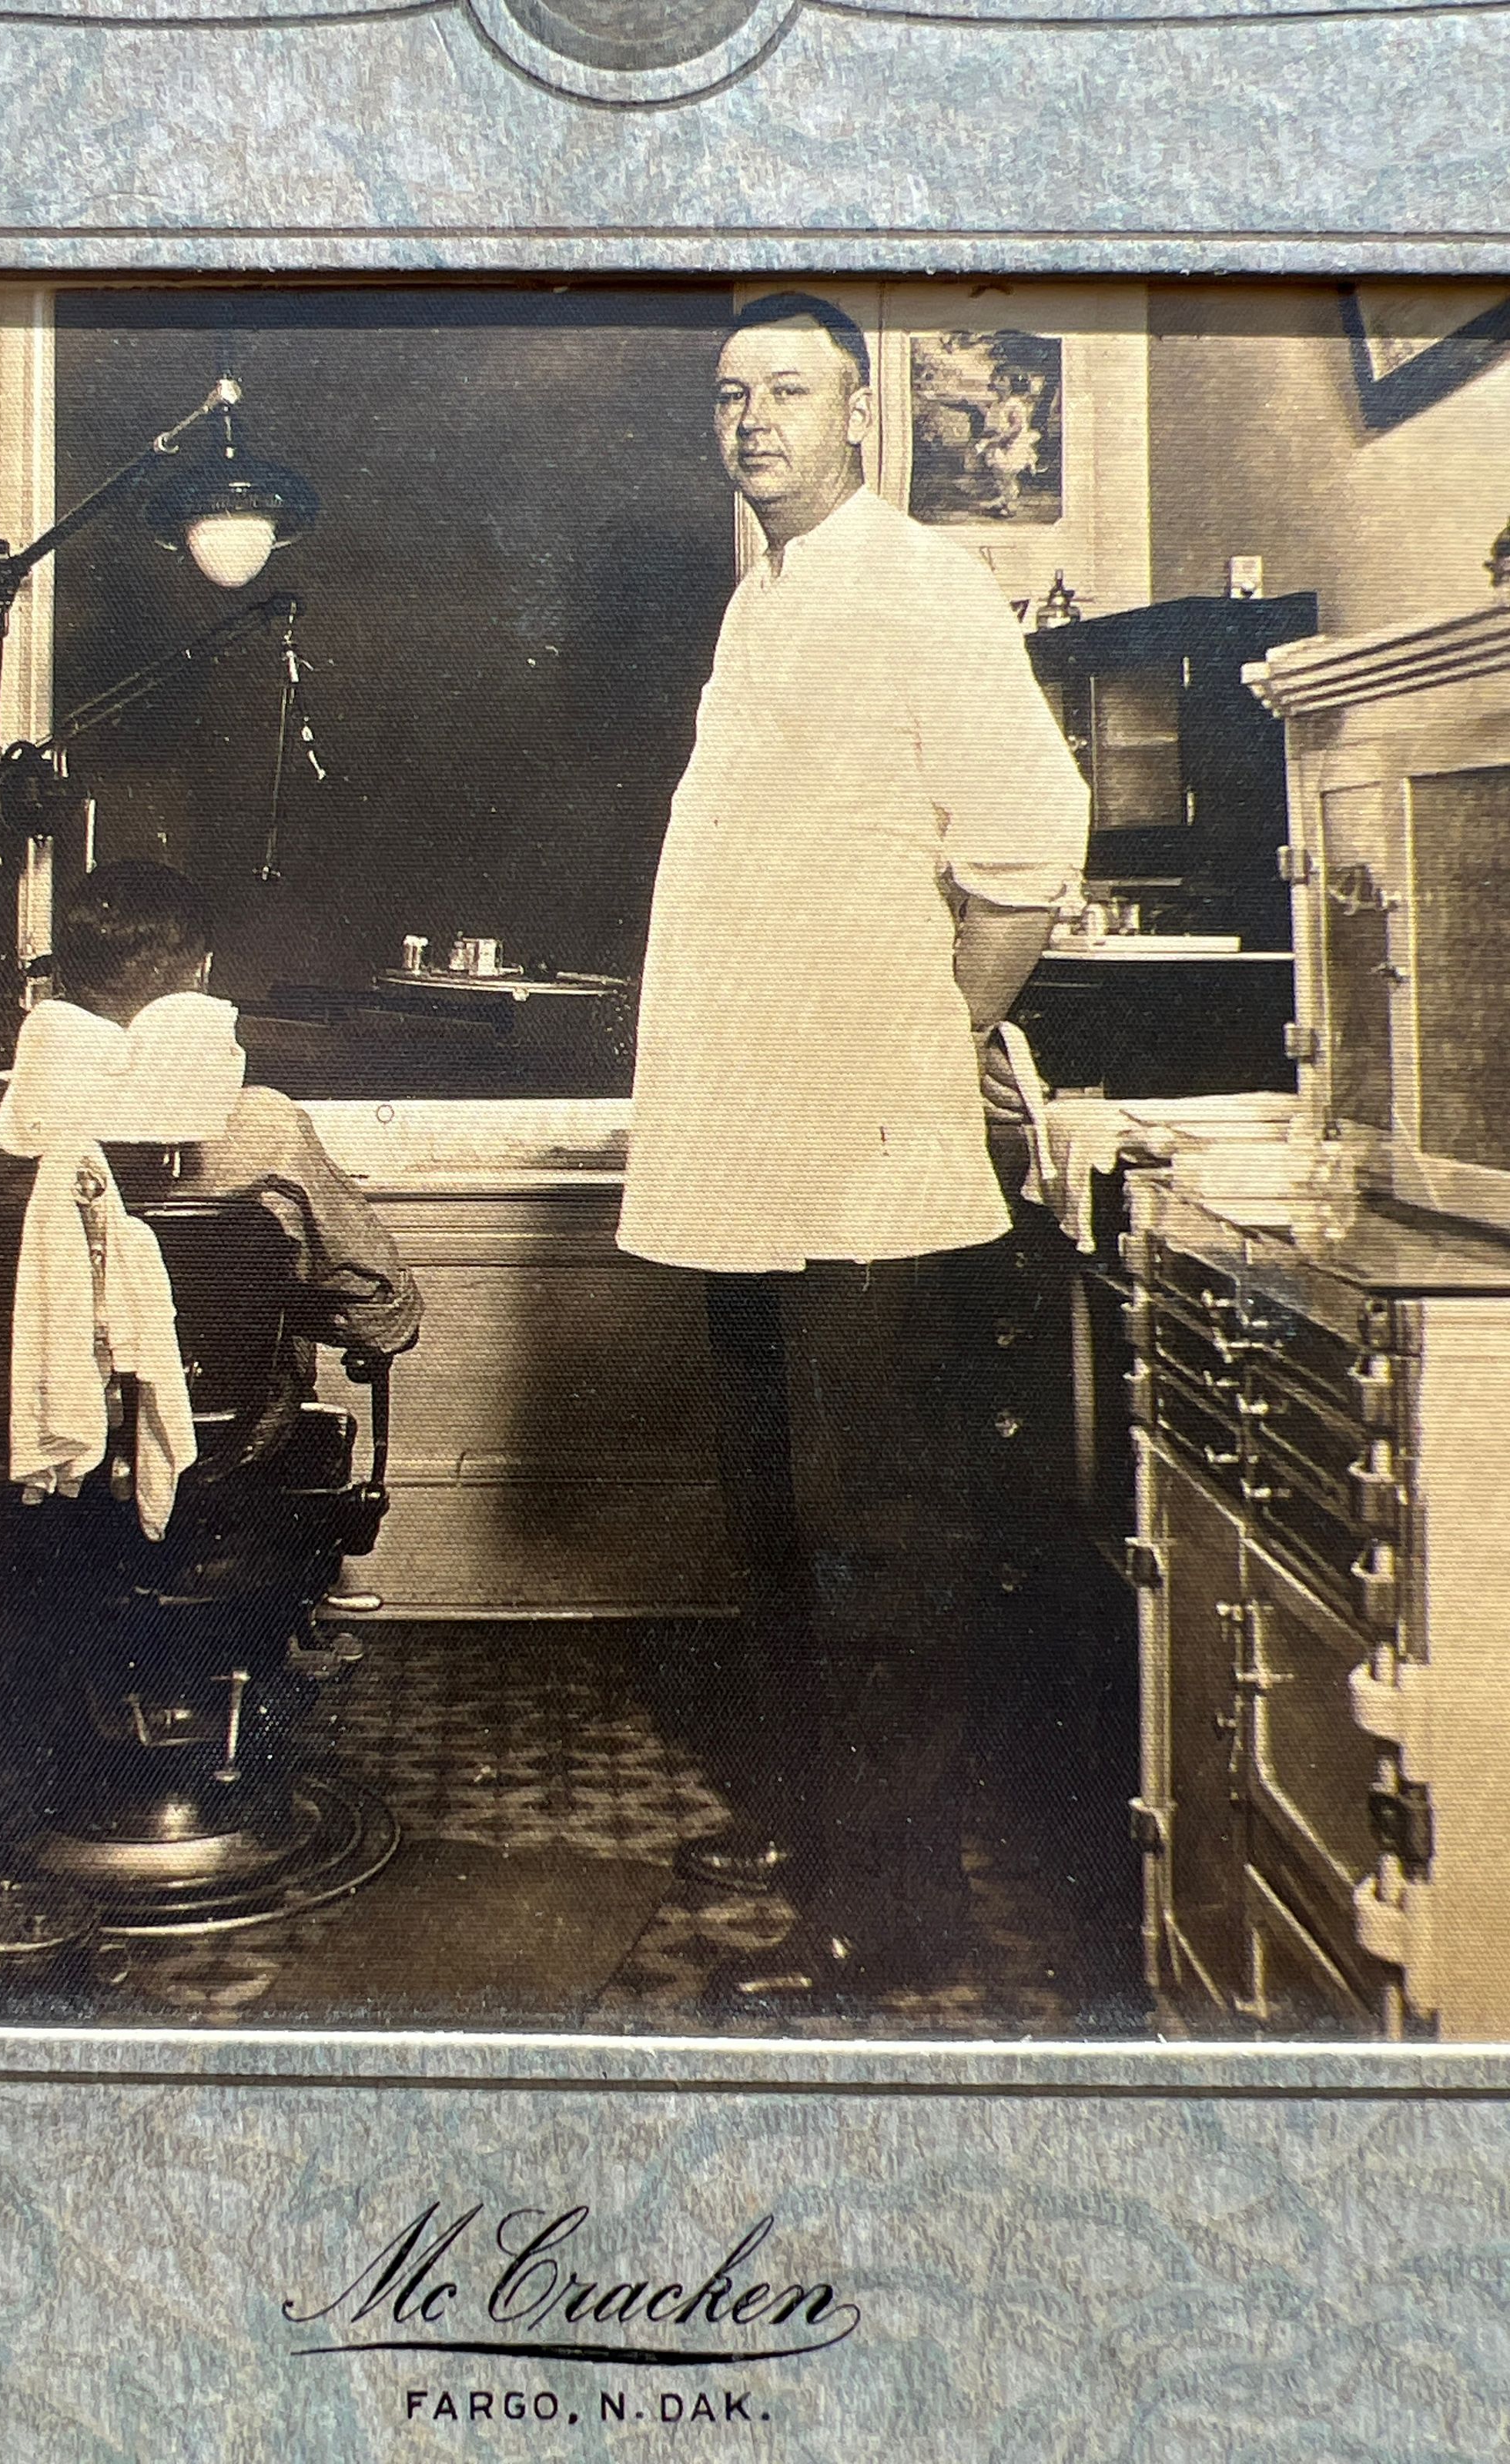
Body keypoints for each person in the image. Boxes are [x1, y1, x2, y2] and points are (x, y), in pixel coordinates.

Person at [617, 293, 1089, 2010]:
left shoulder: (922, 586)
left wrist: (924, 1048)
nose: (754, 420)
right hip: (746, 1156)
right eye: (730, 393)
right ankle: (827, 1833)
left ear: (863, 413)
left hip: (867, 1171)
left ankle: (897, 1916)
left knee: (879, 1545)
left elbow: (1029, 851)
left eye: (790, 390)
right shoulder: (765, 595)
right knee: (780, 1524)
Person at [0, 860, 422, 1532]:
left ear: (60, 984)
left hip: (33, 1465)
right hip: (228, 1455)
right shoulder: (266, 1131)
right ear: (203, 975)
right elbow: (387, 1319)